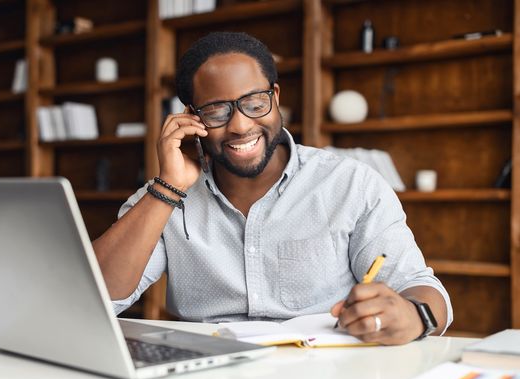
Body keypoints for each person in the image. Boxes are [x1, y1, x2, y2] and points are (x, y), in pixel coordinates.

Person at [93, 32, 452, 345]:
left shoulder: (350, 184)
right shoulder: (164, 196)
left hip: (326, 376)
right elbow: (95, 299)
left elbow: (422, 289)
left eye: (254, 103)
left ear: (275, 97)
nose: (240, 125)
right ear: (192, 117)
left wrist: (413, 316)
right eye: (217, 111)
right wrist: (169, 188)